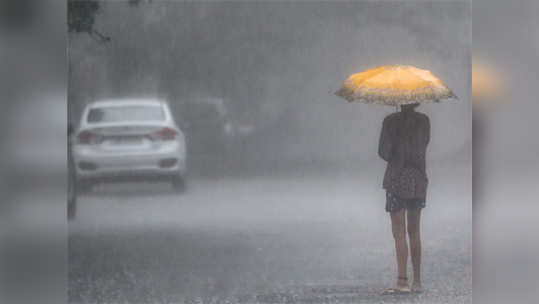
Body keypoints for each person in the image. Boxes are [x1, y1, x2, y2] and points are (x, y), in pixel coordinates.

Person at [378, 103, 430, 294]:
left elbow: (383, 152)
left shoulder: (390, 121)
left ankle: (402, 281)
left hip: (396, 180)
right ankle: (417, 282)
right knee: (415, 231)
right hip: (417, 179)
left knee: (399, 232)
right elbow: (424, 144)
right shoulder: (424, 121)